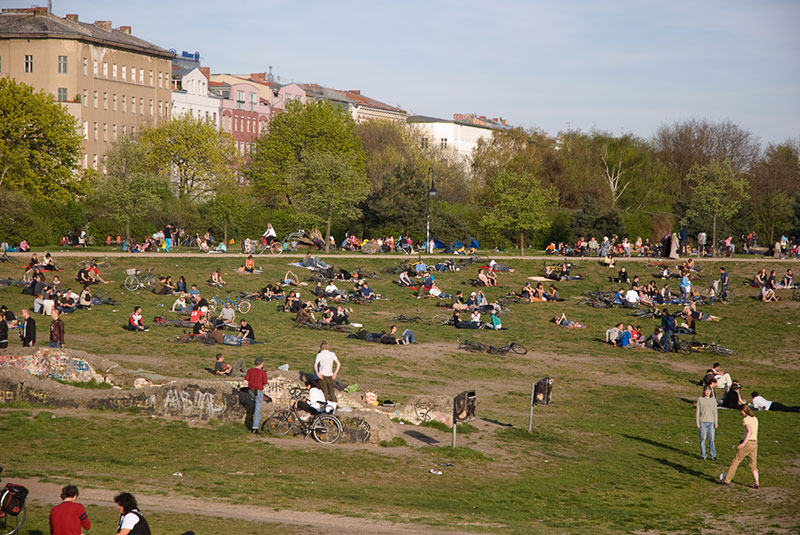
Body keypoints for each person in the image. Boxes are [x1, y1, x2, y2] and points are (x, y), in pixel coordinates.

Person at [720, 405, 760, 489]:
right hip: (755, 443)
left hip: (748, 443)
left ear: (743, 411)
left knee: (736, 461)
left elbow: (749, 431)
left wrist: (743, 443)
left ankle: (727, 480)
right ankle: (757, 482)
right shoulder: (755, 418)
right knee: (753, 464)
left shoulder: (746, 419)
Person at [244, 358, 268, 434]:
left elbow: (245, 381)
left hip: (251, 390)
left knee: (255, 405)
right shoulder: (262, 372)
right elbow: (265, 383)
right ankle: (255, 427)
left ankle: (253, 421)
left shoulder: (250, 370)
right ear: (261, 364)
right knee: (258, 409)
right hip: (258, 391)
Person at [696, 386, 718, 461]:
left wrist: (716, 422)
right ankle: (703, 455)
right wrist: (697, 422)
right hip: (702, 422)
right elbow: (698, 412)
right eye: (706, 391)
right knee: (702, 439)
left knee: (711, 439)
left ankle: (713, 455)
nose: (707, 392)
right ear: (704, 391)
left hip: (711, 422)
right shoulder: (700, 399)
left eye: (709, 391)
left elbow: (715, 412)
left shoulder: (713, 400)